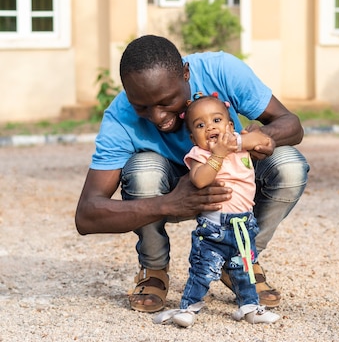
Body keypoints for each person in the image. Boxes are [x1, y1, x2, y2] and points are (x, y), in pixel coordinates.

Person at [75, 35, 309, 314]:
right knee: (143, 169)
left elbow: (292, 125)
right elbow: (86, 215)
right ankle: (154, 269)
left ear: (186, 74)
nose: (158, 116)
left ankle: (240, 259)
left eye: (166, 101)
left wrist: (260, 137)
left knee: (290, 165)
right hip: (171, 191)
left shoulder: (221, 70)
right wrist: (169, 203)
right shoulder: (119, 117)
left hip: (230, 185)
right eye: (142, 106)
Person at [153, 94, 279, 327]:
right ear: (193, 137)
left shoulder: (241, 146)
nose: (210, 127)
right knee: (203, 270)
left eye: (217, 120)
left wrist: (238, 142)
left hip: (244, 225)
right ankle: (188, 307)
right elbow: (200, 180)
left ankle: (249, 306)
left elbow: (264, 142)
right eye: (200, 125)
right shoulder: (200, 155)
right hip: (214, 228)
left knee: (244, 269)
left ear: (231, 126)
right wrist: (219, 154)